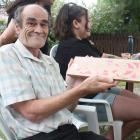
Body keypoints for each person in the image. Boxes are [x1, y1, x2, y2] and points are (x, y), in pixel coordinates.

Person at [0, 4, 116, 140]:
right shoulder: (7, 55)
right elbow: (31, 112)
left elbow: (67, 108)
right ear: (17, 28)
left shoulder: (50, 62)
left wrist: (75, 85)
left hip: (69, 132)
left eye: (44, 25)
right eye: (31, 23)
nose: (39, 30)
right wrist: (81, 89)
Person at [54, 3, 140, 140]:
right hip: (88, 101)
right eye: (88, 20)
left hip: (99, 93)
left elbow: (103, 60)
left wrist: (131, 59)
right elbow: (107, 76)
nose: (91, 23)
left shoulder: (82, 43)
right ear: (76, 23)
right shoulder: (73, 47)